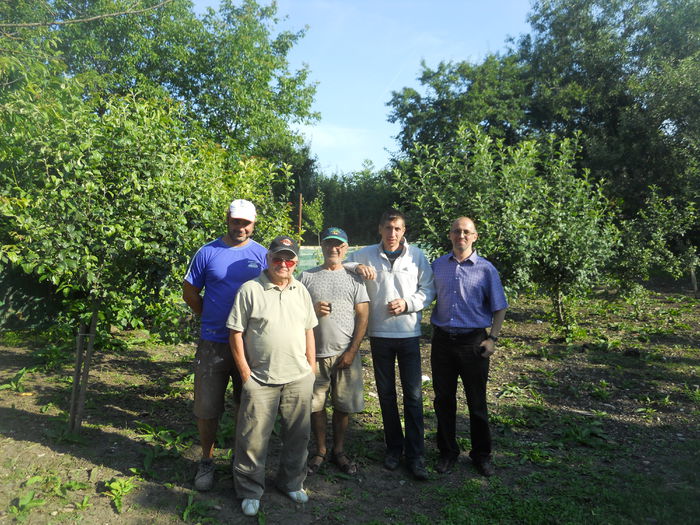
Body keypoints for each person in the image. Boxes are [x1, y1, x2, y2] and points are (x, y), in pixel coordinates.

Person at [227, 235, 317, 517]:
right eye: (278, 257)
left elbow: (309, 330)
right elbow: (235, 333)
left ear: (295, 262)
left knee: (298, 436)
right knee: (252, 438)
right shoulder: (250, 290)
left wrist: (311, 368)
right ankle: (250, 490)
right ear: (268, 258)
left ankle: (291, 482)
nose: (283, 263)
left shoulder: (300, 290)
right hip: (261, 379)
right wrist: (245, 373)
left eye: (289, 259)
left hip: (298, 378)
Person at [182, 199, 266, 491]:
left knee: (250, 405)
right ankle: (206, 460)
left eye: (246, 222)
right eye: (236, 221)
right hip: (214, 343)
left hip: (252, 345)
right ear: (227, 219)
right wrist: (210, 315)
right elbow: (190, 291)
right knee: (207, 406)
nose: (240, 227)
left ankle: (244, 462)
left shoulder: (263, 256)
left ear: (254, 224)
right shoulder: (208, 252)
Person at [347, 209, 435, 480]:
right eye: (388, 228)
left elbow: (428, 289)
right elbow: (342, 263)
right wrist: (356, 267)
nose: (392, 234)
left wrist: (408, 303)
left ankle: (416, 454)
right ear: (380, 229)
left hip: (408, 335)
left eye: (397, 229)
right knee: (386, 396)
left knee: (414, 396)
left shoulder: (416, 255)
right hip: (380, 335)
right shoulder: (366, 254)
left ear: (404, 231)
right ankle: (394, 448)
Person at [430, 217, 507, 477]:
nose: (461, 235)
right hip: (442, 342)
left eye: (466, 232)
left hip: (473, 344)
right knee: (443, 401)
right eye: (456, 231)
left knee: (476, 402)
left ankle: (481, 455)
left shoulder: (486, 269)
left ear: (475, 236)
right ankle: (447, 452)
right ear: (450, 236)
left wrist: (493, 339)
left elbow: (500, 306)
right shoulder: (438, 265)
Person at [300, 227, 369, 476]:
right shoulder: (306, 277)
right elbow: (295, 313)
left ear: (346, 248)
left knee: (343, 405)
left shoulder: (354, 278)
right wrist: (312, 311)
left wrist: (353, 350)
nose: (334, 248)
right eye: (329, 244)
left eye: (339, 244)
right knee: (315, 406)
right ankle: (320, 450)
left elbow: (363, 316)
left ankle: (339, 450)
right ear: (322, 247)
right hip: (314, 355)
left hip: (345, 353)